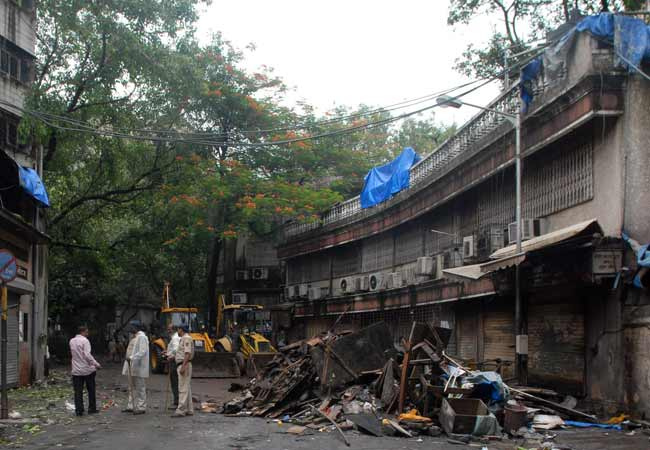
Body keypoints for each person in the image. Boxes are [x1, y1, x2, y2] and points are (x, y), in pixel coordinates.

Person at [69, 326, 101, 417]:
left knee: (78, 391)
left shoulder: (71, 341)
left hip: (76, 370)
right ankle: (92, 408)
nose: (88, 334)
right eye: (86, 332)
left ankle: (79, 410)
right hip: (87, 370)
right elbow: (87, 355)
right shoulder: (85, 341)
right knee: (91, 390)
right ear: (82, 332)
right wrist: (96, 364)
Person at [121, 324, 149, 414]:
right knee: (131, 387)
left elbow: (142, 352)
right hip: (132, 365)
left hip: (138, 366)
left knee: (140, 387)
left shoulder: (142, 337)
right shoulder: (135, 338)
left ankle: (141, 407)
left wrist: (132, 357)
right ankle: (131, 405)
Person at [172, 325, 194, 418]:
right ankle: (189, 409)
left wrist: (183, 366)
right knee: (186, 387)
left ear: (181, 329)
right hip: (182, 363)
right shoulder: (183, 339)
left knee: (182, 388)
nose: (177, 331)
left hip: (184, 364)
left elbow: (187, 353)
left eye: (178, 329)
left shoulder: (187, 338)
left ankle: (181, 410)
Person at [165, 324, 180, 409]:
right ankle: (177, 401)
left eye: (169, 329)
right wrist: (167, 352)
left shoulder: (174, 338)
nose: (168, 331)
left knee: (174, 382)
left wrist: (170, 355)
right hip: (175, 360)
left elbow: (176, 349)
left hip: (173, 362)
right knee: (176, 382)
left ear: (173, 330)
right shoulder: (175, 337)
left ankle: (176, 402)